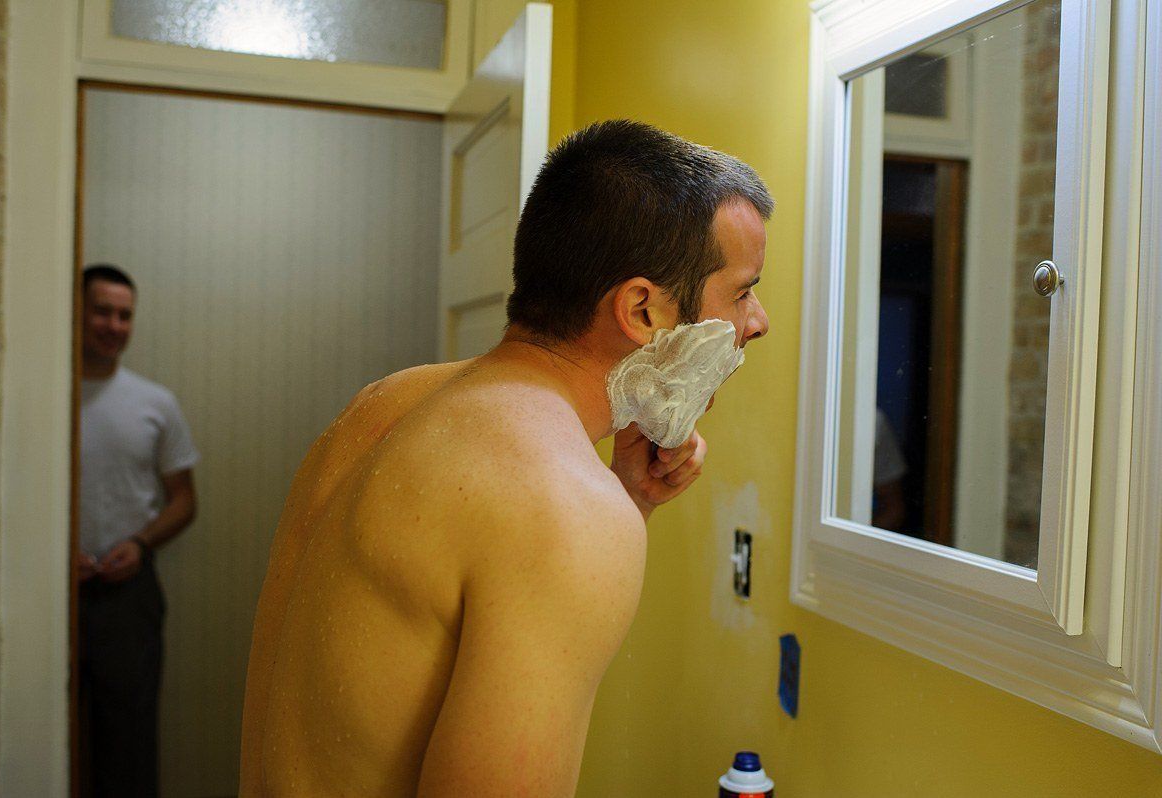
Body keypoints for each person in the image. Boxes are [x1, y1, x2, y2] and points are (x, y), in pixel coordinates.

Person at [240, 120, 773, 796]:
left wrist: (628, 497)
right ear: (642, 310)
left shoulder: (386, 406)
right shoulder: (562, 505)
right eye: (743, 290)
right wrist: (599, 509)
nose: (758, 321)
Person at [78, 263, 200, 797]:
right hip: (51, 593)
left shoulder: (155, 403)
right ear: (77, 312)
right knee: (48, 731)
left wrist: (139, 543)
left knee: (128, 744)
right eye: (102, 311)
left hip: (128, 596)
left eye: (124, 316)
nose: (114, 325)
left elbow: (184, 500)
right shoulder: (43, 398)